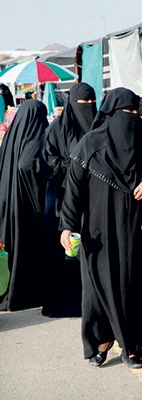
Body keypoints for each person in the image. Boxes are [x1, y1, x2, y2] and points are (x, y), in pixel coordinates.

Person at [60, 87, 142, 369]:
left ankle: (133, 346)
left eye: (134, 113)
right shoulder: (90, 144)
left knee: (131, 284)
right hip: (97, 230)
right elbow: (73, 191)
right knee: (96, 288)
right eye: (126, 112)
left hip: (133, 229)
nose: (132, 118)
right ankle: (100, 342)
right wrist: (66, 227)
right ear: (112, 112)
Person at [42, 82, 96, 318]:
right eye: (82, 103)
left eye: (91, 103)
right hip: (66, 196)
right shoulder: (56, 129)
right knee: (69, 247)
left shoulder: (99, 126)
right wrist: (72, 169)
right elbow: (48, 158)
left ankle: (94, 300)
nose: (87, 108)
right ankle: (68, 301)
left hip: (95, 196)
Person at [0, 100, 50, 311]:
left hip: (6, 204)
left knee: (9, 250)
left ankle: (6, 290)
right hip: (27, 207)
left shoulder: (10, 140)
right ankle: (27, 292)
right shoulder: (39, 140)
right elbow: (30, 167)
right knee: (28, 250)